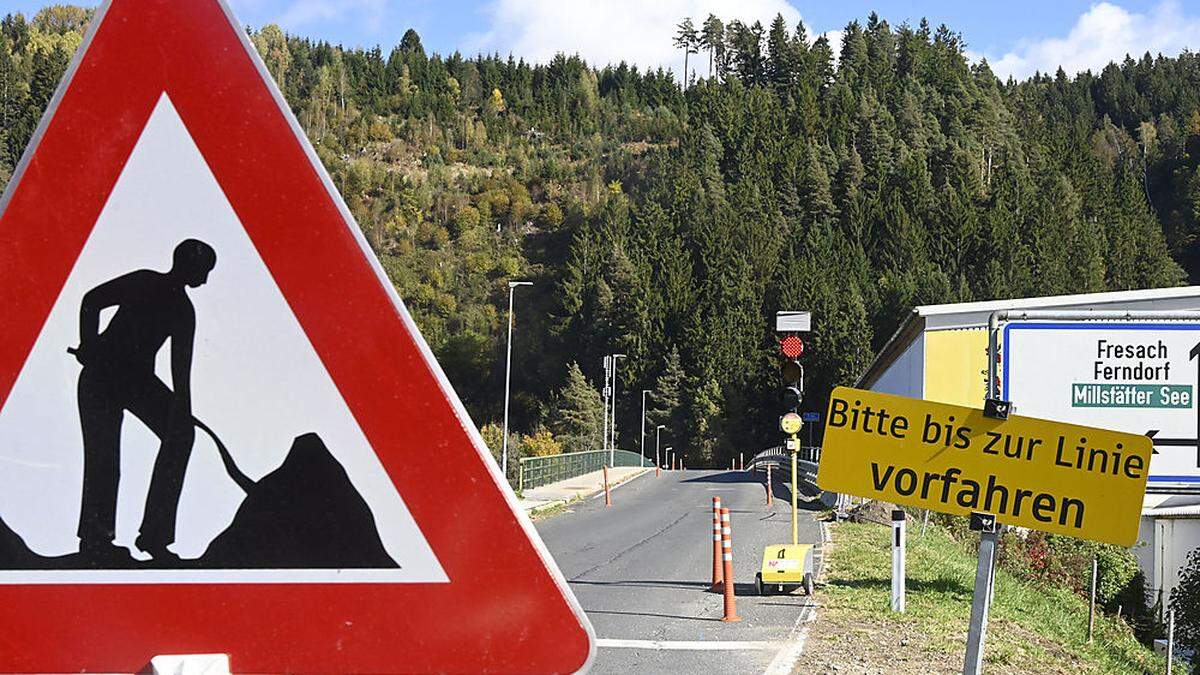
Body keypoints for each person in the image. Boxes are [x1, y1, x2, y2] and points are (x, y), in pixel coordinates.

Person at [72, 239, 216, 564]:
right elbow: (91, 301)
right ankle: (96, 539)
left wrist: (183, 411)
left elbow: (181, 369)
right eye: (204, 272)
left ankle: (155, 536)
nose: (205, 280)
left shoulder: (183, 311)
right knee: (105, 460)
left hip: (137, 382)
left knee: (181, 435)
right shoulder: (144, 281)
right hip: (102, 376)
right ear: (189, 266)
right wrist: (89, 345)